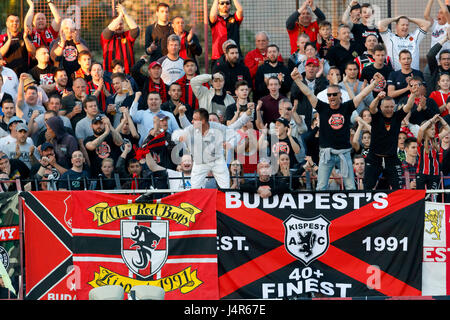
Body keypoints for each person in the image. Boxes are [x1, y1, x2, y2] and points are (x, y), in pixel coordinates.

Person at [291, 66, 382, 191]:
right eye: (329, 95)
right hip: (326, 154)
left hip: (344, 153)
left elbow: (362, 94)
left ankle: (355, 211)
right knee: (321, 187)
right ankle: (319, 211)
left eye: (334, 94)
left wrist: (375, 83)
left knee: (350, 186)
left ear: (340, 95)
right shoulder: (322, 107)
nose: (331, 97)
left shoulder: (347, 106)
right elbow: (308, 93)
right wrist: (297, 80)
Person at [172, 107, 252, 189]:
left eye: (194, 119)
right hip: (199, 162)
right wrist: (179, 137)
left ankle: (223, 201)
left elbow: (236, 135)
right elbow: (176, 133)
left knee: (225, 187)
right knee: (194, 188)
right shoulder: (191, 129)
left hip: (217, 161)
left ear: (202, 121)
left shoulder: (218, 128)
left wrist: (230, 144)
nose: (192, 121)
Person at [363, 89, 416, 190]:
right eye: (386, 107)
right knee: (367, 188)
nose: (389, 109)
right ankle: (365, 206)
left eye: (392, 106)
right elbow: (372, 107)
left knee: (398, 187)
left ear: (395, 106)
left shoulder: (397, 116)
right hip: (374, 158)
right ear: (381, 107)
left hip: (392, 158)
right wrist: (378, 98)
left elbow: (408, 106)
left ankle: (399, 206)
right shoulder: (377, 116)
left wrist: (413, 93)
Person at [101, 3, 139, 74]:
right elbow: (108, 31)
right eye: (117, 24)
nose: (119, 26)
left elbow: (135, 30)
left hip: (127, 73)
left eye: (121, 24)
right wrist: (120, 16)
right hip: (110, 73)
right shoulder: (106, 36)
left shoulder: (127, 35)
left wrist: (125, 14)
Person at [290, 57, 328, 129]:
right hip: (302, 119)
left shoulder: (322, 82)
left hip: (317, 120)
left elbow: (321, 96)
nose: (311, 68)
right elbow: (294, 95)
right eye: (309, 66)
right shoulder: (297, 80)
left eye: (314, 66)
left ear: (317, 69)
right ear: (305, 68)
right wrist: (302, 81)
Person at [416, 114, 450, 190]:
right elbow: (421, 129)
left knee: (432, 197)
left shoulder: (436, 139)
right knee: (420, 197)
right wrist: (431, 120)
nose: (434, 131)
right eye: (431, 129)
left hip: (435, 174)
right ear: (426, 130)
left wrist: (441, 119)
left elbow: (448, 129)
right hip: (422, 173)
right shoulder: (421, 141)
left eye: (434, 129)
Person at [209, 0, 244, 69]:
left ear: (230, 5)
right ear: (218, 6)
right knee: (219, 78)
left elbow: (240, 10)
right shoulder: (216, 19)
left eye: (227, 3)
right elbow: (212, 16)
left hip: (234, 55)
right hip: (218, 56)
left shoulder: (234, 18)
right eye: (222, 3)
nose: (225, 5)